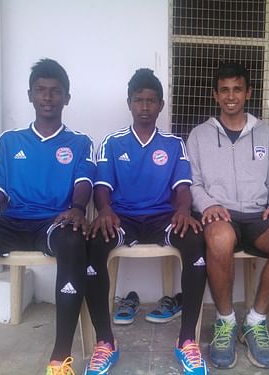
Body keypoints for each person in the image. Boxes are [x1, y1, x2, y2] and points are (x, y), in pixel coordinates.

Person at [0, 58, 96, 375]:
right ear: (30, 95)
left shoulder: (81, 142)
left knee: (73, 241)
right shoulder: (10, 140)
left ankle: (59, 360)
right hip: (11, 221)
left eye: (55, 91)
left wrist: (77, 208)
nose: (47, 97)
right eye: (41, 90)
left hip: (53, 223)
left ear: (66, 98)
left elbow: (84, 183)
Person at [84, 68, 208, 375]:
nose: (144, 106)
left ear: (161, 105)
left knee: (195, 241)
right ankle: (105, 342)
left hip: (161, 218)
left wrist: (183, 210)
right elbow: (102, 188)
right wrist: (105, 210)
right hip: (122, 218)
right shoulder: (113, 143)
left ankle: (187, 340)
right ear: (129, 103)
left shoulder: (173, 143)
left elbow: (182, 187)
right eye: (138, 100)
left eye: (151, 101)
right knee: (93, 244)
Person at [186, 62, 269, 370]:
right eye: (224, 90)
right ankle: (225, 322)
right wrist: (208, 204)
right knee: (220, 238)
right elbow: (193, 183)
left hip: (258, 213)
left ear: (248, 93)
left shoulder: (265, 134)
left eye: (237, 89)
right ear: (215, 95)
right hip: (220, 214)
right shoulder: (199, 135)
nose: (231, 96)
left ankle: (255, 321)